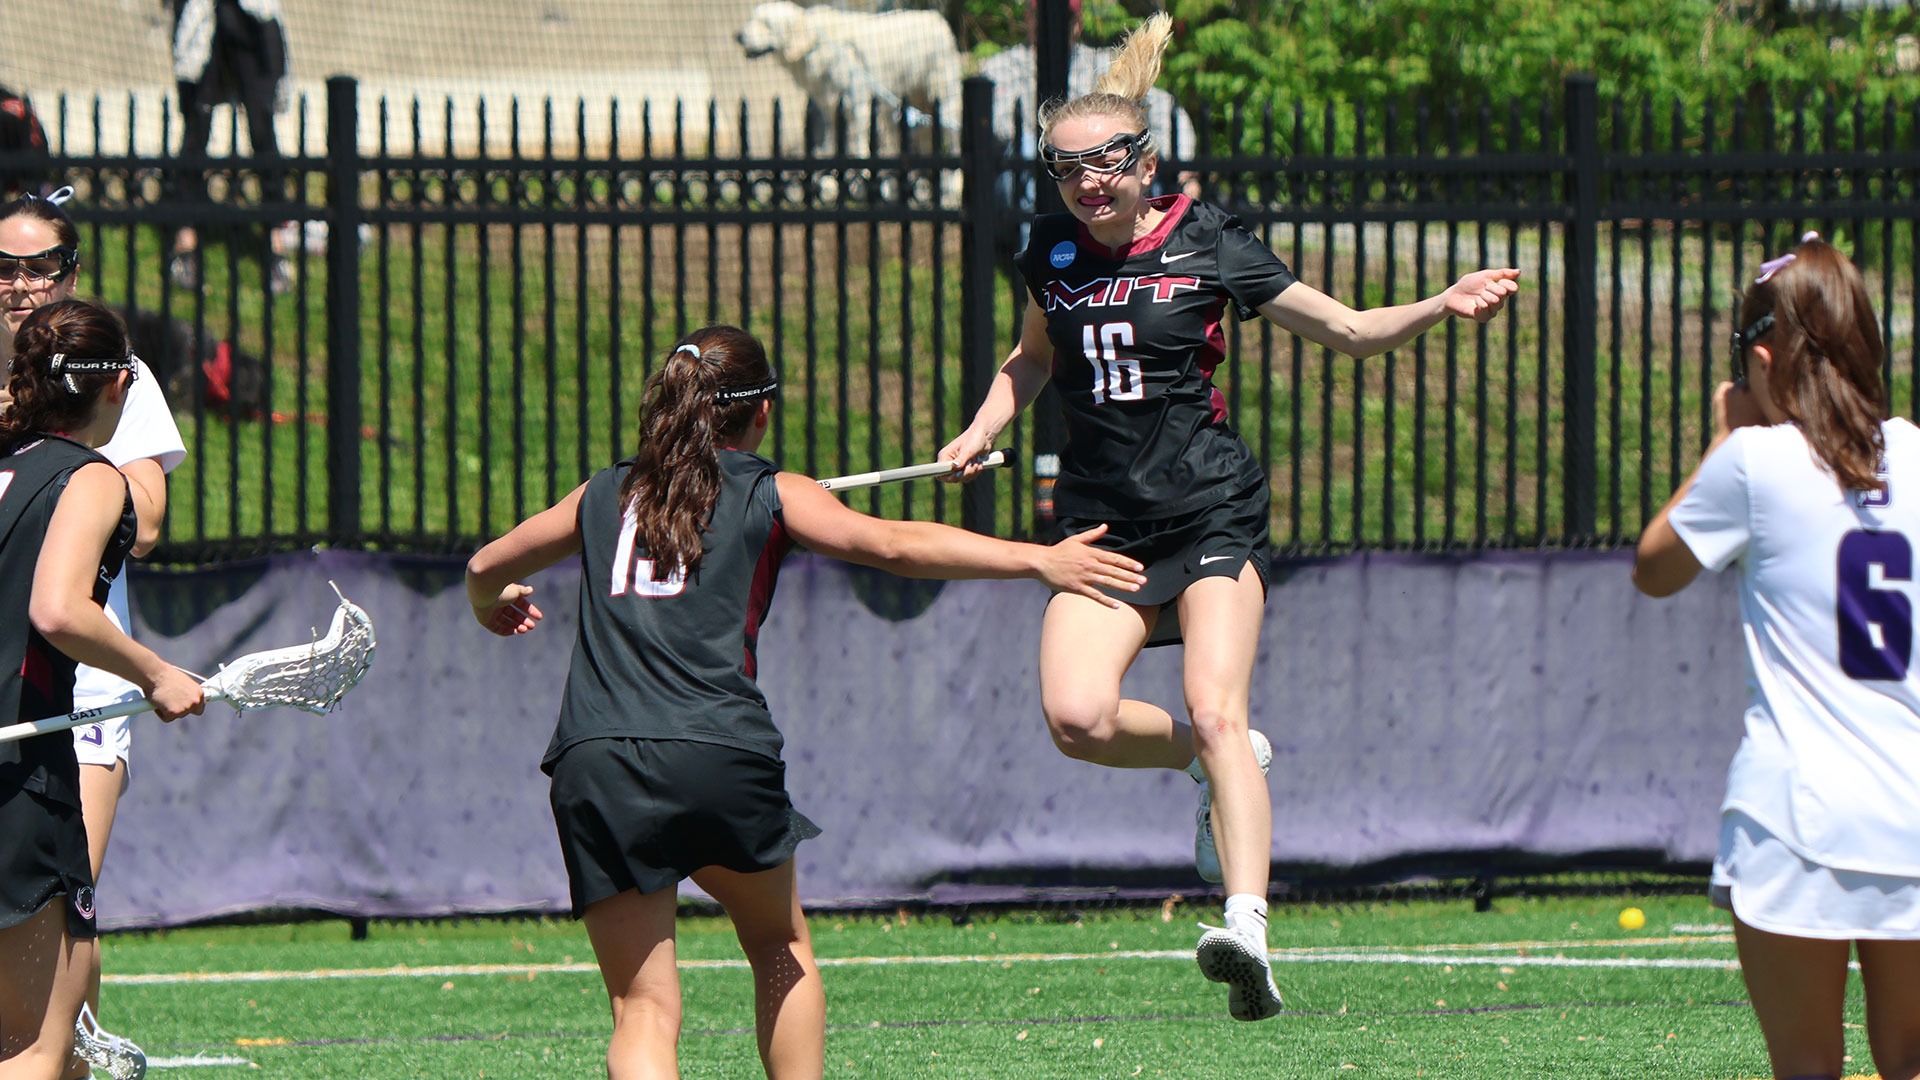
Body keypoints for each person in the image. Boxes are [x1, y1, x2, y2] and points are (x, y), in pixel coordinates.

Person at [937, 13, 1520, 1022]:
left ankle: (1245, 928)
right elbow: (1033, 358)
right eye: (1066, 171)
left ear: (1141, 161)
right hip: (1102, 525)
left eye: (1102, 167)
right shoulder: (1049, 256)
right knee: (1076, 717)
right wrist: (982, 427)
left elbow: (1345, 329)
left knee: (1216, 702)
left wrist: (1438, 302)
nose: (1085, 186)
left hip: (1209, 508)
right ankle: (1222, 764)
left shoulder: (1209, 244)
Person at [465, 325, 1145, 1079]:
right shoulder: (773, 490)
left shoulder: (602, 491)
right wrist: (1038, 559)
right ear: (761, 415)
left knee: (643, 1008)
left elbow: (485, 565)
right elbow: (892, 546)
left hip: (598, 761)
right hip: (719, 751)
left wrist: (489, 602)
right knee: (779, 948)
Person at [1633, 234, 1920, 1080]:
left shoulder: (1755, 461)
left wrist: (1728, 435)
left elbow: (1654, 568)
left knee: (1805, 1065)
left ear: (1762, 358)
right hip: (1913, 812)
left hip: (1794, 821)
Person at [0, 190, 188, 1080]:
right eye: (6, 268)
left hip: (77, 693)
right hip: (30, 676)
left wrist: (65, 457)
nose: (22, 285)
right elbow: (51, 605)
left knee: (62, 920)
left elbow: (143, 520)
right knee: (43, 962)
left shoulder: (112, 379)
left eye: (42, 268)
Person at [166, 0, 293, 293]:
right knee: (197, 127)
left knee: (262, 129)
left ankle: (275, 242)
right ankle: (186, 241)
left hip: (251, 17)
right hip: (201, 14)